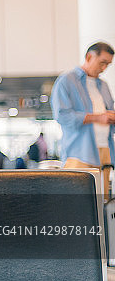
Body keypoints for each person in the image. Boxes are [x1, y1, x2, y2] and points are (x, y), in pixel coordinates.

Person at [51, 41, 115, 198]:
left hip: (105, 150)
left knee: (102, 202)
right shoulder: (66, 81)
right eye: (102, 63)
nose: (104, 68)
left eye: (108, 64)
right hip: (79, 152)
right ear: (89, 57)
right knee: (79, 203)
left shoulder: (104, 85)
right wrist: (98, 117)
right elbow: (62, 116)